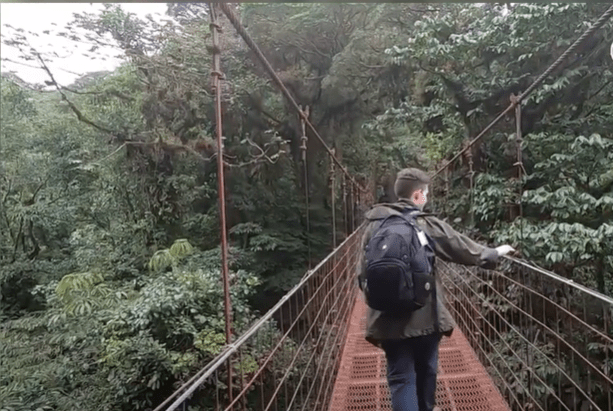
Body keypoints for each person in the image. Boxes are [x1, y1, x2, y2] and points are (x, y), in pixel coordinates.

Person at [357, 168, 515, 411]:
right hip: (424, 316)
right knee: (426, 371)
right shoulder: (425, 225)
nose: (427, 198)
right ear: (418, 195)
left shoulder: (374, 226)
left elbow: (363, 273)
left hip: (386, 318)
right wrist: (493, 253)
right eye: (427, 193)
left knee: (401, 378)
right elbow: (460, 247)